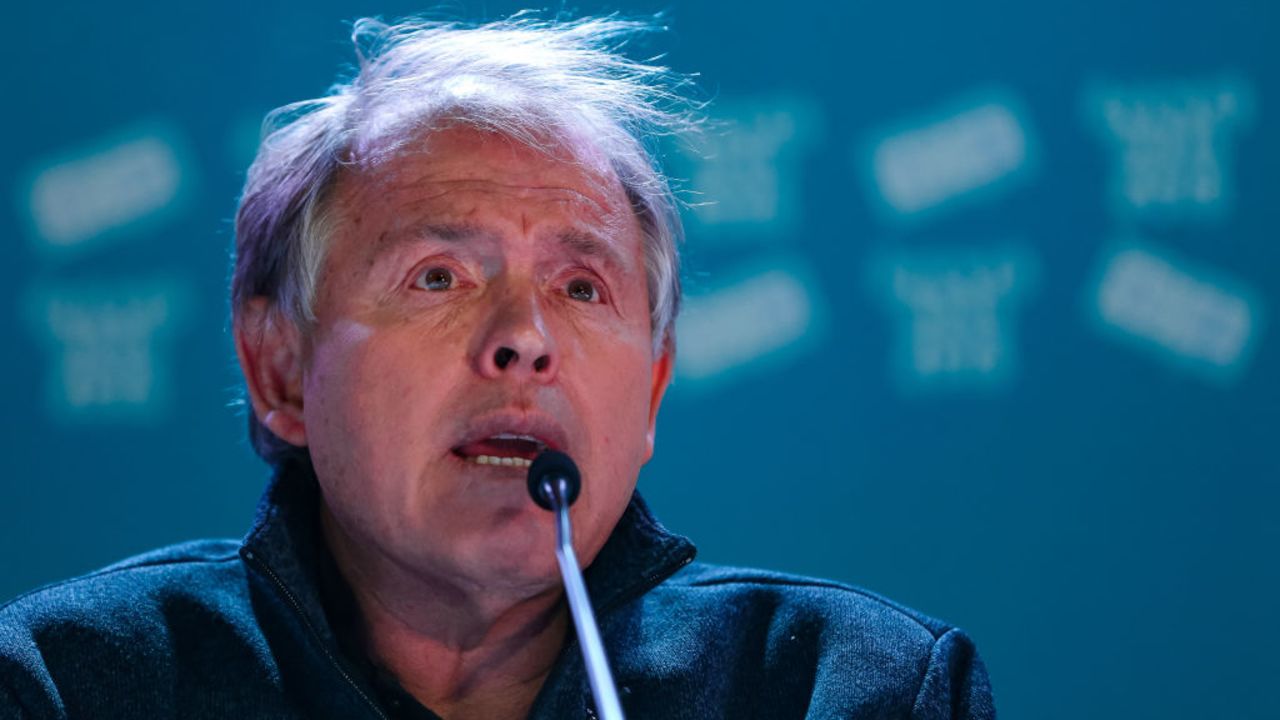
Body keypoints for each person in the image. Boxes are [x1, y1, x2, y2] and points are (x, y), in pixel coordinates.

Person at [0, 15, 995, 720]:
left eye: (580, 288)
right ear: (281, 370)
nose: (523, 336)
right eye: (437, 277)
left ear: (649, 393)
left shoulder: (848, 692)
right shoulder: (71, 684)